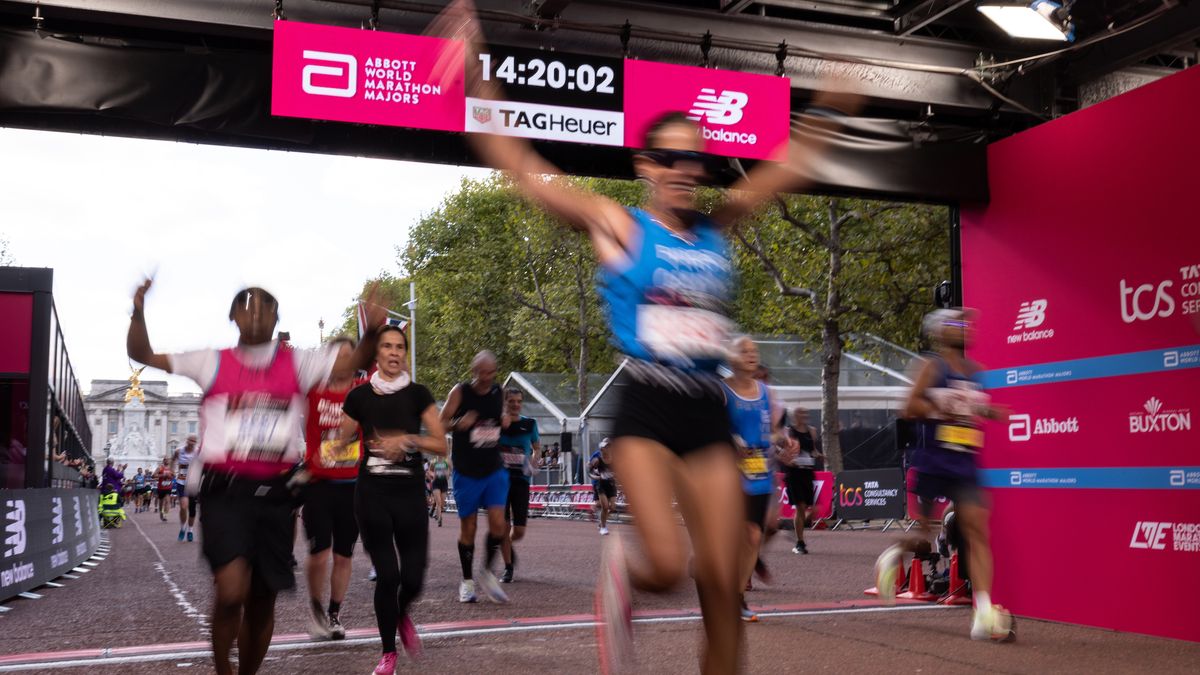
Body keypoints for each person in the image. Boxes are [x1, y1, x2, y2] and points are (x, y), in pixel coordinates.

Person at [429, 4, 860, 670]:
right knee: (664, 564)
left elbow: (787, 166)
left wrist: (830, 108)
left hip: (706, 408)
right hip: (646, 408)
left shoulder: (719, 227)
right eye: (669, 156)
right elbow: (521, 164)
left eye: (695, 156)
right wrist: (475, 77)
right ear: (645, 165)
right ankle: (623, 581)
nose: (684, 167)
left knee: (722, 583)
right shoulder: (620, 226)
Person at [127, 280, 383, 675]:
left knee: (263, 598)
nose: (257, 313)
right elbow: (141, 353)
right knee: (231, 591)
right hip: (225, 490)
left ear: (278, 317)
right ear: (233, 316)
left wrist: (373, 331)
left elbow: (351, 365)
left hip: (276, 493)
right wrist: (139, 312)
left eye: (267, 307)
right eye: (248, 307)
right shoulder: (211, 361)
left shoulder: (298, 364)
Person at [874, 308, 1015, 642]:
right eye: (956, 324)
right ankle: (894, 554)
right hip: (932, 462)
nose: (965, 328)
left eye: (967, 324)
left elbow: (975, 410)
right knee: (925, 540)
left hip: (965, 464)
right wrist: (942, 405)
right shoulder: (930, 367)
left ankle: (982, 612)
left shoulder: (976, 372)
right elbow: (907, 408)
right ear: (940, 332)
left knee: (977, 531)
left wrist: (988, 411)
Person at [334, 324, 447, 673]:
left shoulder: (418, 394)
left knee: (413, 578)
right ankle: (388, 654)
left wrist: (407, 440)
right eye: (387, 346)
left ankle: (401, 615)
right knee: (388, 576)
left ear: (405, 354)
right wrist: (356, 445)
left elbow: (442, 444)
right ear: (377, 354)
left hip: (410, 494)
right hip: (372, 496)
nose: (394, 353)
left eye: (400, 347)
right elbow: (339, 445)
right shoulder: (358, 397)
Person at [723, 337, 796, 622]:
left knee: (753, 534)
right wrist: (731, 439)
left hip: (758, 473)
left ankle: (737, 595)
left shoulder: (766, 392)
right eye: (744, 350)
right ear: (730, 357)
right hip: (727, 473)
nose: (751, 355)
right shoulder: (722, 391)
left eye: (754, 351)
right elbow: (711, 426)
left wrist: (784, 442)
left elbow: (773, 432)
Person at [301, 336, 365, 641]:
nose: (343, 362)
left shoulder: (362, 393)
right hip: (318, 484)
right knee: (319, 554)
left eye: (348, 356)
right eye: (336, 356)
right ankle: (315, 609)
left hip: (352, 485)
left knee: (343, 555)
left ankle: (334, 614)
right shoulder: (313, 390)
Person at [439, 351, 509, 604]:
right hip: (467, 471)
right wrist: (459, 423)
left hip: (494, 467)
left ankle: (488, 572)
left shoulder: (497, 392)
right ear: (474, 371)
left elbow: (499, 420)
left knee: (499, 523)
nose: (488, 378)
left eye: (492, 372)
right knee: (469, 526)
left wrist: (504, 421)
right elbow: (440, 423)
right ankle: (467, 581)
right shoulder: (460, 392)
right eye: (484, 373)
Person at [498, 387, 540, 583]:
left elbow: (536, 448)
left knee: (519, 530)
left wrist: (533, 461)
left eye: (518, 401)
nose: (515, 405)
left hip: (521, 480)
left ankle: (506, 544)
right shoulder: (497, 424)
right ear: (504, 403)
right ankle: (508, 567)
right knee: (503, 526)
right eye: (511, 401)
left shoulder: (530, 424)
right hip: (499, 481)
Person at [781, 407, 822, 554]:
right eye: (800, 413)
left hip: (807, 472)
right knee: (800, 507)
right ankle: (800, 543)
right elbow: (779, 450)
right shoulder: (788, 431)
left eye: (805, 413)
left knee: (811, 509)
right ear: (793, 416)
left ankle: (793, 528)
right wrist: (788, 460)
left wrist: (819, 455)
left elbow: (813, 450)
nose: (804, 415)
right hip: (794, 473)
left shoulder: (812, 431)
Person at [589, 439, 617, 536]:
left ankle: (601, 522)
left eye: (609, 446)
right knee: (604, 507)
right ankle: (603, 527)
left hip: (612, 484)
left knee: (612, 508)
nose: (608, 448)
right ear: (602, 448)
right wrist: (596, 477)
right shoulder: (597, 458)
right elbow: (588, 470)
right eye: (606, 446)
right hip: (600, 484)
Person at [175, 436, 199, 541]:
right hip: (181, 482)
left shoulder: (198, 452)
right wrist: (171, 470)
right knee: (184, 506)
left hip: (193, 483)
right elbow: (172, 460)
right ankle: (182, 528)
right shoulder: (179, 451)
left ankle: (190, 530)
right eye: (190, 440)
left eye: (194, 441)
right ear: (187, 441)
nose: (192, 443)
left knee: (192, 510)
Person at [428, 455, 450, 527]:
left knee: (442, 503)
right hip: (436, 483)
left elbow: (449, 473)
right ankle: (440, 519)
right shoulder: (433, 462)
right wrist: (433, 475)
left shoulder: (446, 462)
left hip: (444, 483)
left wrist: (447, 474)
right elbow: (429, 471)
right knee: (438, 502)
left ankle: (435, 513)